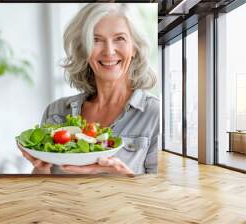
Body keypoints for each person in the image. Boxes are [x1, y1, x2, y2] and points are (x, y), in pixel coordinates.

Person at [20, 3, 159, 176]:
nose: (109, 51)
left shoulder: (154, 114)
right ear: (83, 49)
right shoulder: (55, 112)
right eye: (96, 39)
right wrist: (41, 166)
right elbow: (41, 192)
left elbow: (162, 196)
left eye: (119, 38)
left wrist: (124, 176)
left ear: (135, 49)